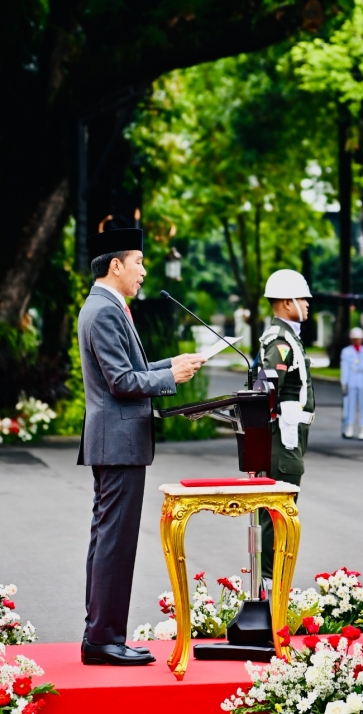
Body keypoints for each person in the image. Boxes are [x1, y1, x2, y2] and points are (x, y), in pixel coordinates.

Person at [78, 228, 205, 666]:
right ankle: (103, 639)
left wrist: (171, 364)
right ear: (116, 265)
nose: (144, 272)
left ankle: (101, 634)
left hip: (116, 442)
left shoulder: (106, 306)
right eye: (139, 262)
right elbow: (122, 382)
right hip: (117, 442)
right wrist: (171, 379)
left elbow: (130, 369)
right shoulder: (106, 310)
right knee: (114, 543)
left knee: (108, 540)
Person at [258, 269, 315, 588]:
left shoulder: (287, 337)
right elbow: (267, 388)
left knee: (278, 511)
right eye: (302, 297)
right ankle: (271, 586)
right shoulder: (281, 341)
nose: (307, 303)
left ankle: (273, 583)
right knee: (277, 514)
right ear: (285, 302)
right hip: (284, 439)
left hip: (289, 436)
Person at [340, 327, 363, 438]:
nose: (357, 340)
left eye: (359, 338)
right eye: (355, 338)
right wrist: (344, 382)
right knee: (350, 406)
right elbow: (344, 368)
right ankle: (349, 427)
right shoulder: (346, 351)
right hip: (351, 381)